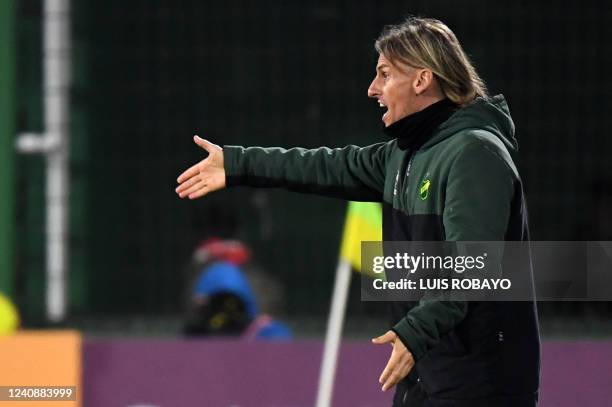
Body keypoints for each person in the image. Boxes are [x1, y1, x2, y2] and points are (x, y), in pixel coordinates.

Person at [176, 17, 540, 407]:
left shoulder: (475, 153)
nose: (372, 89)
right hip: (427, 378)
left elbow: (473, 268)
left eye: (384, 74)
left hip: (479, 385)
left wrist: (415, 331)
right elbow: (325, 165)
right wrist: (238, 163)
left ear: (422, 80)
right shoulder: (406, 154)